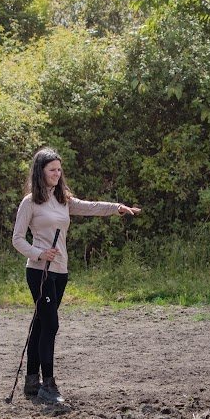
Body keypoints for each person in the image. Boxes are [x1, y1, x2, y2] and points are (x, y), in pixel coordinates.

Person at [12, 148, 141, 404]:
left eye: (59, 170)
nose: (57, 174)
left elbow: (90, 207)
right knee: (51, 325)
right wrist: (39, 253)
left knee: (40, 324)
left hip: (61, 271)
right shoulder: (30, 202)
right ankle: (48, 384)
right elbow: (17, 239)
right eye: (52, 170)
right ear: (41, 172)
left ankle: (30, 381)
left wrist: (117, 208)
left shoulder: (63, 200)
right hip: (40, 272)